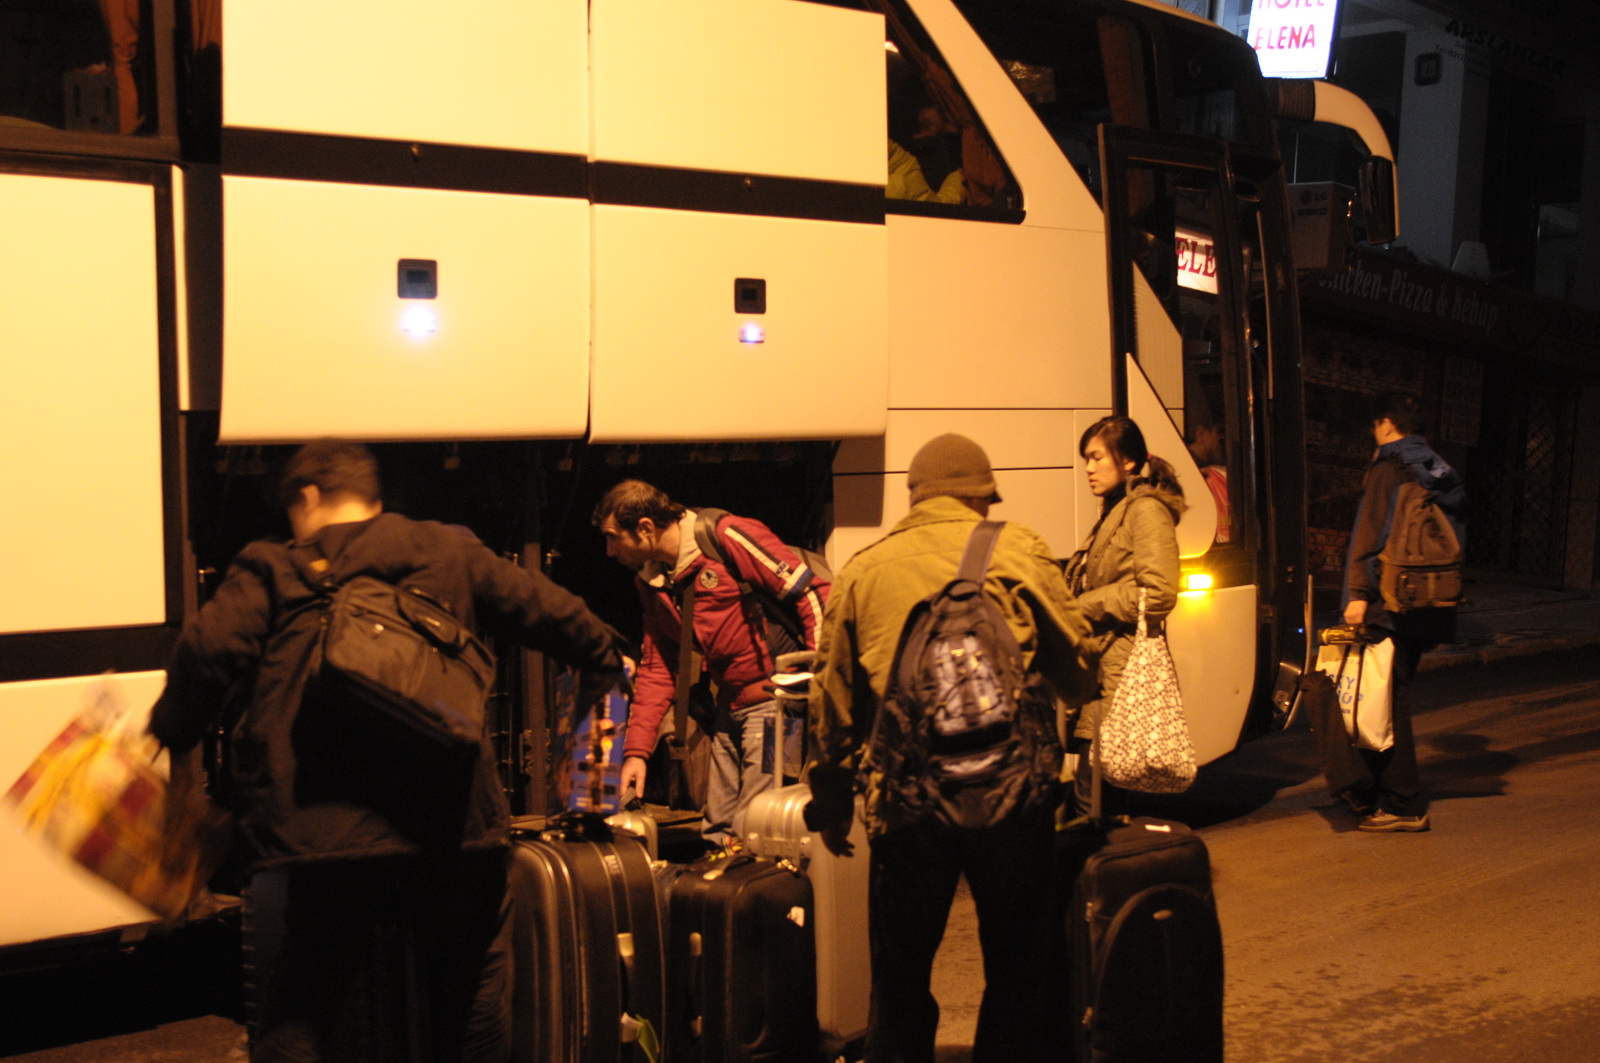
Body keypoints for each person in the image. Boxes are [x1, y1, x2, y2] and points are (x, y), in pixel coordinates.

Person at [149, 440, 630, 1063]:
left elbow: (205, 656)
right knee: (471, 995)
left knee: (305, 1000)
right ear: (372, 498)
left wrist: (171, 738)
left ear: (308, 497)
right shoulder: (444, 549)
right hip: (452, 824)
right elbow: (567, 621)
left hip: (325, 836)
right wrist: (597, 688)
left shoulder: (273, 567)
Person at [803, 433, 1093, 1063]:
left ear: (915, 497)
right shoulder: (1018, 549)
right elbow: (1079, 671)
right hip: (1012, 801)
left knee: (901, 976)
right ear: (982, 496)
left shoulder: (864, 570)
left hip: (907, 807)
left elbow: (832, 705)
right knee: (1019, 967)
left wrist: (831, 804)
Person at [592, 479, 829, 845]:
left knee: (756, 824)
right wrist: (637, 752)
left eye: (613, 537)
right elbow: (657, 669)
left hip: (775, 703)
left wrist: (819, 678)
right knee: (717, 827)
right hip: (729, 704)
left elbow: (812, 593)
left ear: (645, 528)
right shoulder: (654, 580)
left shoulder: (726, 536)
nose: (609, 551)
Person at [1341, 392, 1465, 833]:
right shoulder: (1439, 468)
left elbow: (1370, 532)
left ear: (1386, 424)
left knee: (1386, 701)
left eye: (1375, 425)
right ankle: (1373, 791)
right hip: (1428, 598)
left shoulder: (1389, 468)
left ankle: (1403, 802)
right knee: (1389, 694)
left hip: (1389, 600)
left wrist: (1358, 593)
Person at [1064, 415, 1186, 813]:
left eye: (1097, 457)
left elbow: (1159, 593)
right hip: (1100, 667)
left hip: (1122, 671)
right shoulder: (1116, 510)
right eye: (1086, 459)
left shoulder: (1146, 510)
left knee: (1094, 798)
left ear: (1128, 461)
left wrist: (1087, 605)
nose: (1089, 468)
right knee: (1094, 796)